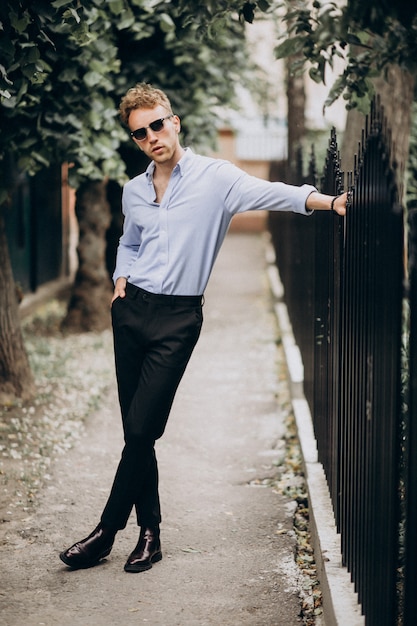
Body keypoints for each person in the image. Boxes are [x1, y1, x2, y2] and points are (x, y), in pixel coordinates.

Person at [60, 82, 347, 573]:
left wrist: (328, 202)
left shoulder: (216, 178)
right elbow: (128, 242)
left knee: (140, 427)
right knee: (138, 431)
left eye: (156, 124)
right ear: (135, 140)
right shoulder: (134, 189)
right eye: (140, 132)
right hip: (132, 314)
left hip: (177, 319)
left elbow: (273, 193)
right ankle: (149, 534)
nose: (151, 136)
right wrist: (120, 279)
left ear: (173, 121)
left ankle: (106, 532)